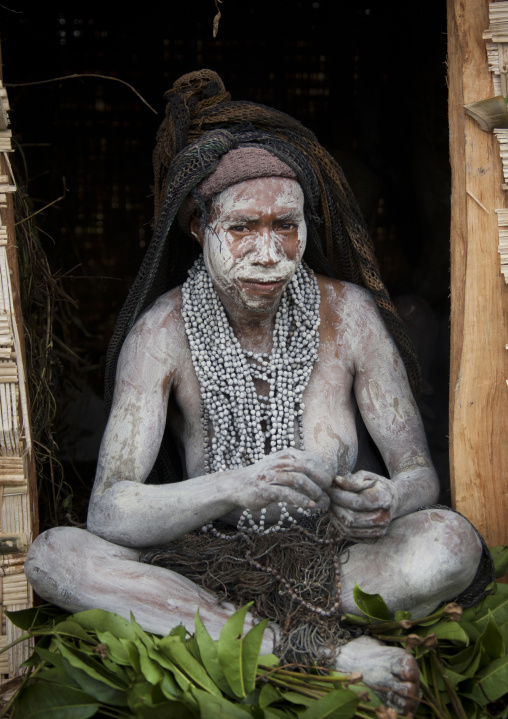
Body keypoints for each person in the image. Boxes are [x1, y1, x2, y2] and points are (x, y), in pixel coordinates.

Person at [25, 71, 491, 715]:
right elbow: (109, 510)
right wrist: (232, 487)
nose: (270, 253)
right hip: (202, 569)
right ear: (198, 226)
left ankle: (268, 640)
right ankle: (326, 654)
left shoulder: (350, 315)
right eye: (243, 227)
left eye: (286, 226)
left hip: (338, 567)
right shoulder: (161, 333)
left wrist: (386, 498)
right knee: (55, 556)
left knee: (450, 542)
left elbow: (417, 473)